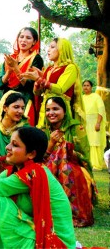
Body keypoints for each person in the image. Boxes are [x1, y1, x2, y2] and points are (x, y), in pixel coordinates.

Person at [41, 96, 95, 227]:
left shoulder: (76, 127)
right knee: (44, 172)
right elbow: (40, 157)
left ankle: (72, 212)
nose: (51, 113)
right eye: (48, 110)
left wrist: (66, 151)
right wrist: (52, 144)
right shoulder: (43, 130)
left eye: (55, 109)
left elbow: (85, 155)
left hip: (75, 165)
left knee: (68, 171)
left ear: (64, 111)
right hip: (49, 165)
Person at [22, 37, 85, 128]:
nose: (48, 50)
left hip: (60, 110)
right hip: (45, 109)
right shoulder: (49, 69)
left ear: (61, 50)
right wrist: (37, 82)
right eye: (49, 47)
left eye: (52, 47)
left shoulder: (70, 67)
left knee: (60, 137)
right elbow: (37, 93)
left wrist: (39, 79)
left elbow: (60, 89)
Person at [0, 27, 43, 126]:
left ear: (34, 41)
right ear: (17, 39)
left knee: (23, 133)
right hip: (8, 100)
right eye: (21, 37)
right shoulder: (10, 58)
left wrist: (16, 67)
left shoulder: (36, 59)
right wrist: (9, 71)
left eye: (28, 38)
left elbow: (30, 85)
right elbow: (0, 85)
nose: (23, 40)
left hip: (25, 100)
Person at [82, 80, 108, 170]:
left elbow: (101, 110)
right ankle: (88, 163)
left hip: (95, 122)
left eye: (88, 85)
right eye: (84, 85)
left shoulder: (96, 97)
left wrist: (98, 123)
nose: (86, 87)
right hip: (85, 123)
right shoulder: (82, 98)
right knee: (88, 143)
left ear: (91, 87)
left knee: (95, 143)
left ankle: (96, 165)